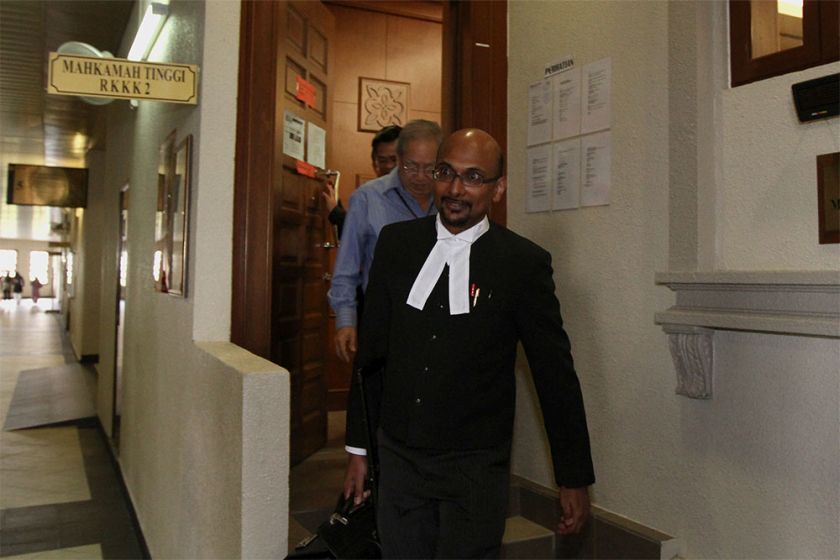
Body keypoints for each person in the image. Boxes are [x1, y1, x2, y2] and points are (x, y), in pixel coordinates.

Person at [343, 129, 595, 558]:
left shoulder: (522, 264)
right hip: (400, 458)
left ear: (498, 188)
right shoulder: (397, 246)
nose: (456, 189)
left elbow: (554, 374)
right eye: (447, 173)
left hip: (476, 467)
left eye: (474, 177)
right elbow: (371, 357)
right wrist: (358, 449)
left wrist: (572, 476)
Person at [328, 120, 442, 363]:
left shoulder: (450, 200)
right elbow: (347, 267)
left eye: (430, 168)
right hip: (384, 322)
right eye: (411, 166)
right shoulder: (367, 198)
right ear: (398, 159)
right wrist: (346, 321)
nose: (421, 177)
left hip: (439, 324)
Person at [321, 125, 403, 237]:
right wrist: (336, 213)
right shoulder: (367, 197)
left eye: (394, 160)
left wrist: (336, 214)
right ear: (374, 164)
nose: (389, 166)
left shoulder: (421, 197)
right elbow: (360, 237)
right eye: (382, 160)